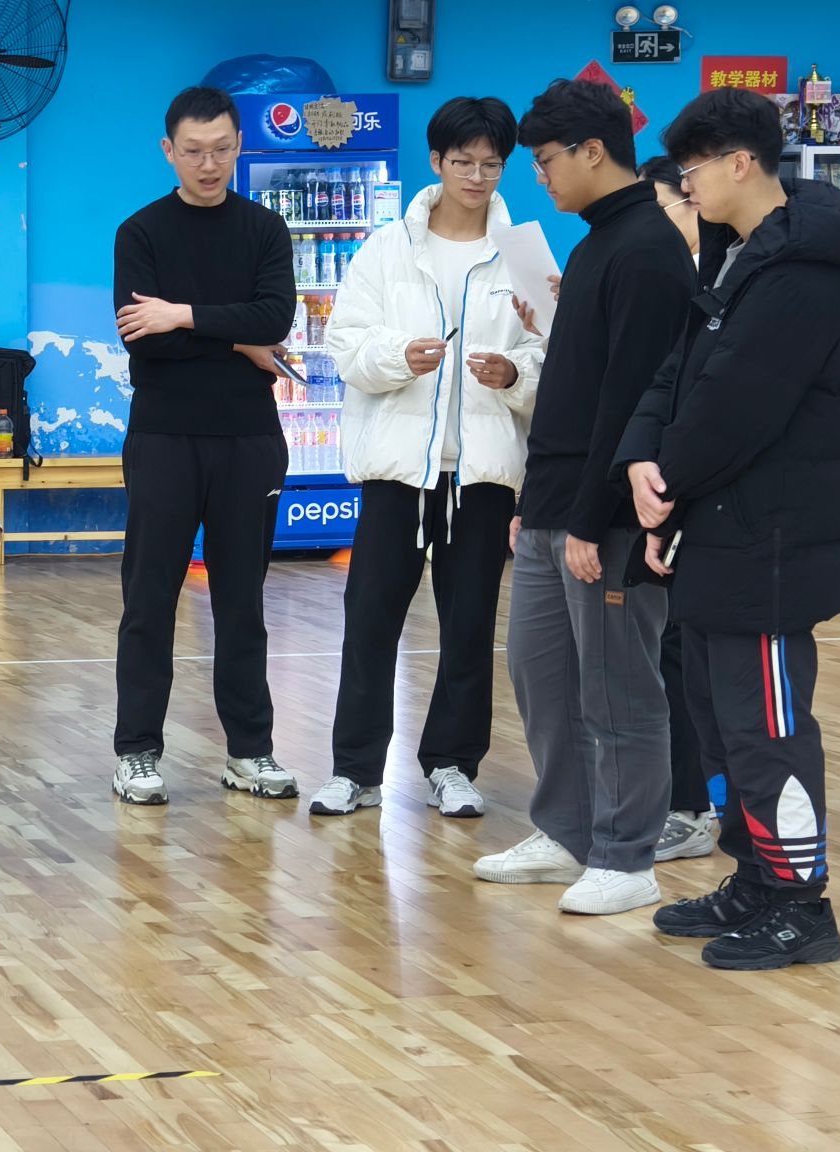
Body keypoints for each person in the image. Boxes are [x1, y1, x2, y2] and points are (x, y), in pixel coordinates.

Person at [617, 87, 840, 969]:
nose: (685, 187)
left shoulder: (798, 276)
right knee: (720, 718)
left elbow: (736, 408)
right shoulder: (736, 256)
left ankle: (801, 903)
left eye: (691, 171)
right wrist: (643, 463)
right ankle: (758, 878)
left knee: (768, 726)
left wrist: (670, 484)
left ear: (739, 163)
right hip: (721, 529)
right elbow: (679, 373)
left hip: (771, 542)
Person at [473, 79, 693, 915]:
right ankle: (566, 830)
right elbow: (574, 390)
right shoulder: (598, 242)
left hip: (604, 518)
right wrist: (537, 502)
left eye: (545, 160)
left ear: (594, 151)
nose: (539, 177)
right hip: (553, 503)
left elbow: (633, 403)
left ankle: (626, 854)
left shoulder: (646, 251)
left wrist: (595, 519)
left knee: (617, 687)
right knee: (542, 677)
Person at [314, 97, 543, 819]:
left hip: (483, 476)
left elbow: (554, 355)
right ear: (437, 161)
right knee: (370, 620)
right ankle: (355, 770)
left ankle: (452, 765)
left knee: (469, 625)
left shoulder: (525, 253)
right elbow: (345, 345)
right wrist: (398, 357)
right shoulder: (387, 248)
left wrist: (514, 373)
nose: (477, 177)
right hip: (397, 473)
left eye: (491, 164)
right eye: (463, 162)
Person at [109, 85, 296, 806]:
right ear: (169, 151)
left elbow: (275, 318)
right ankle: (136, 752)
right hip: (163, 436)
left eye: (221, 149)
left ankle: (250, 751)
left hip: (249, 439)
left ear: (240, 145)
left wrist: (183, 315)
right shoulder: (140, 232)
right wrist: (239, 341)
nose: (209, 164)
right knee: (149, 598)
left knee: (242, 601)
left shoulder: (265, 229)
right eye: (193, 151)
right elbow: (144, 344)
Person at [637, 154, 719, 864]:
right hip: (657, 485)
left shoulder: (714, 286)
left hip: (695, 492)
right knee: (666, 650)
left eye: (660, 206)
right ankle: (680, 798)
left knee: (684, 653)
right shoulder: (661, 277)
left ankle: (693, 806)